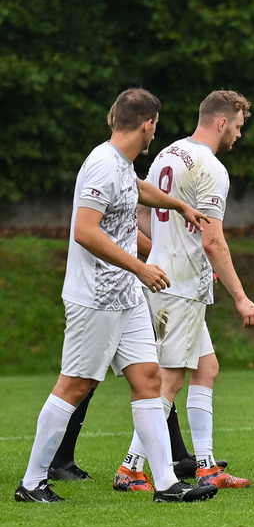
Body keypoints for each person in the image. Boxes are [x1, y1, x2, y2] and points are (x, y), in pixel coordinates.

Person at [14, 88, 217, 503]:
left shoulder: (122, 167)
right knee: (76, 385)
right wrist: (140, 266)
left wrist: (179, 206)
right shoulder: (103, 166)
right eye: (154, 128)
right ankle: (31, 483)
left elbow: (140, 190)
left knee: (148, 380)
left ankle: (166, 485)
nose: (154, 136)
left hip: (125, 297)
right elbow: (85, 232)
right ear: (147, 125)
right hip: (95, 298)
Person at [112, 90, 254, 492]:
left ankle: (208, 467)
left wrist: (163, 247)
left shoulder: (169, 152)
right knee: (168, 381)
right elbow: (214, 240)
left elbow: (141, 210)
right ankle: (130, 468)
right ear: (222, 122)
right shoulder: (211, 167)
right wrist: (241, 296)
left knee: (206, 368)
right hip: (179, 286)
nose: (239, 135)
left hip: (168, 275)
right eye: (238, 126)